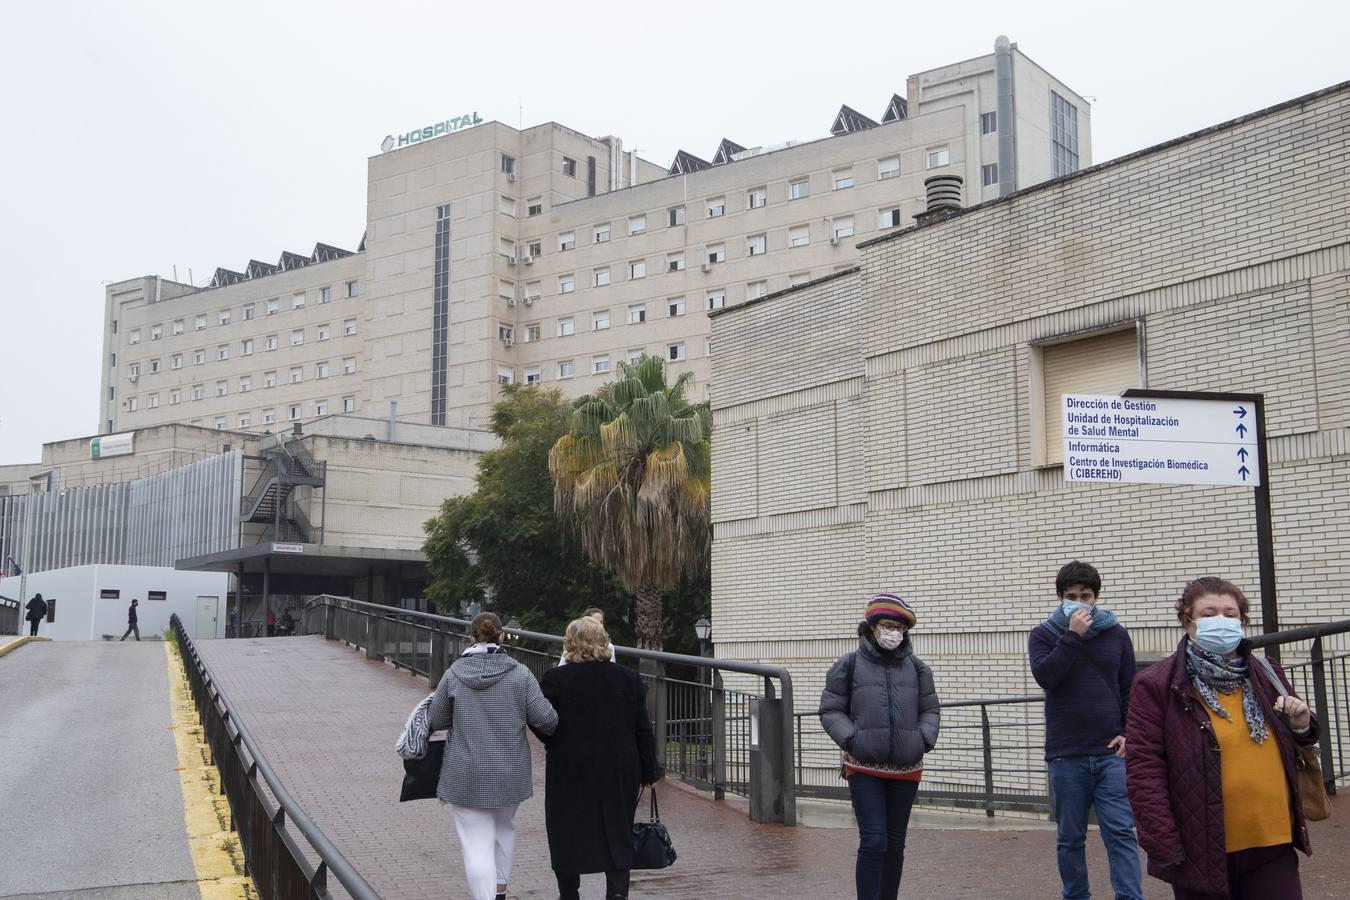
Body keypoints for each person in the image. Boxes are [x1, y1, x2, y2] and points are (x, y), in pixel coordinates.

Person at [1126, 577, 1319, 899]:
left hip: (1272, 840)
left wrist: (1301, 723)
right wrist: (1164, 843)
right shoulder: (1156, 684)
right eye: (1209, 613)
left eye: (1231, 614)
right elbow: (1144, 769)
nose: (1222, 621)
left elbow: (1303, 734)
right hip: (1200, 847)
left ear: (1242, 622)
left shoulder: (1266, 670)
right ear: (1187, 620)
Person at [1028, 560, 1143, 900]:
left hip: (1111, 753)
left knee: (1121, 832)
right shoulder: (1044, 635)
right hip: (1066, 754)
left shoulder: (1116, 634)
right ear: (1061, 597)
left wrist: (1129, 732)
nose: (1079, 602)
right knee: (1070, 837)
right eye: (1071, 596)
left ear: (1096, 597)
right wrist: (1073, 636)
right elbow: (1046, 676)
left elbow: (1129, 689)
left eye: (1086, 595)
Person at [427, 612, 558, 900]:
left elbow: (436, 719)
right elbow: (546, 720)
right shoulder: (520, 674)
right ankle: (499, 889)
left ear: (470, 638)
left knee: (476, 845)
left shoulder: (454, 674)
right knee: (504, 830)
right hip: (510, 772)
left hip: (465, 772)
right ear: (501, 636)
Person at [819, 593, 940, 900]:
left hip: (907, 768)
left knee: (895, 844)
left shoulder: (918, 669)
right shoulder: (848, 664)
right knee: (874, 840)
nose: (893, 633)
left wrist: (922, 740)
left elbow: (931, 711)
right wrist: (852, 740)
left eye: (899, 627)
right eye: (887, 625)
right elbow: (831, 710)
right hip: (863, 767)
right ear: (872, 627)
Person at [538, 616, 659, 900]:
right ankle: (617, 893)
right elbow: (643, 727)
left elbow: (542, 721)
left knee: (566, 828)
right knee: (617, 829)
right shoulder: (628, 678)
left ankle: (569, 892)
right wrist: (648, 770)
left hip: (570, 767)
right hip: (618, 767)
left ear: (570, 644)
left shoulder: (555, 680)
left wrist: (552, 740)